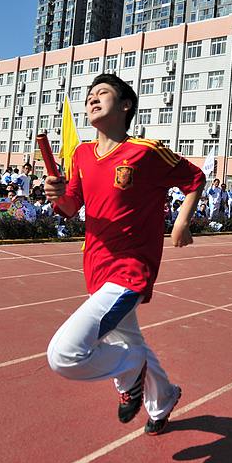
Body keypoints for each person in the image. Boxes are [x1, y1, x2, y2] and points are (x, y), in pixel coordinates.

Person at [44, 73, 205, 436]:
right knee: (130, 342)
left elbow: (195, 178)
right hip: (96, 267)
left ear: (126, 105)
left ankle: (130, 372)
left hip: (131, 270)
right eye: (89, 95)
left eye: (102, 93)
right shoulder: (81, 154)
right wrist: (56, 195)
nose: (92, 98)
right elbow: (70, 206)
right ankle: (163, 399)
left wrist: (181, 223)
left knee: (65, 354)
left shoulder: (146, 151)